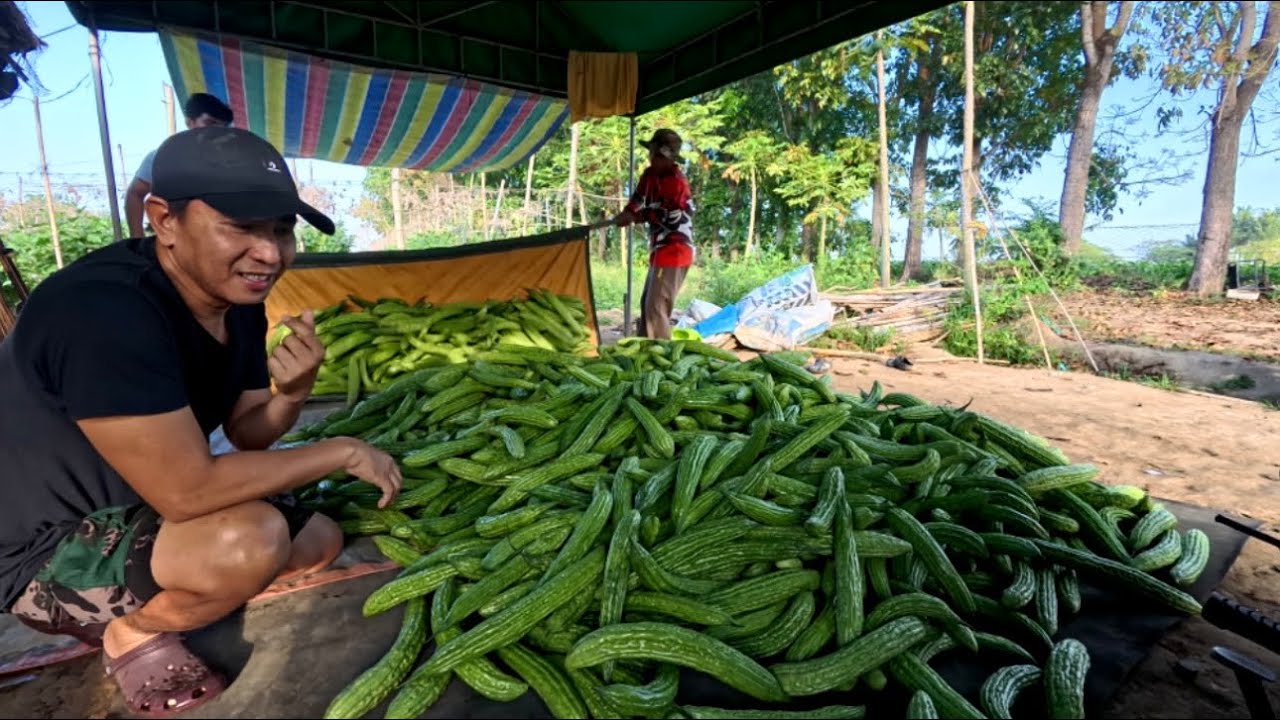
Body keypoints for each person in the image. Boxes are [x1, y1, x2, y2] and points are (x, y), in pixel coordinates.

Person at [0, 126, 402, 716]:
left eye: (281, 230)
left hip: (140, 505)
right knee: (250, 541)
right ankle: (131, 632)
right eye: (241, 227)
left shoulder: (234, 297)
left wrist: (291, 394)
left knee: (317, 540)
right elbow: (189, 493)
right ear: (164, 220)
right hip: (44, 546)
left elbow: (245, 429)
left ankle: (183, 587)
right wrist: (340, 450)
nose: (270, 253)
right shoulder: (102, 313)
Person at [612, 128, 695, 339]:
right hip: (659, 250)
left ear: (666, 157)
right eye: (651, 154)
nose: (652, 159)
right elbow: (637, 198)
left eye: (656, 155)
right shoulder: (649, 175)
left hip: (675, 251)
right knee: (647, 303)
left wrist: (637, 217)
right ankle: (644, 350)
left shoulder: (677, 182)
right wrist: (627, 213)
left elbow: (670, 216)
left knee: (656, 307)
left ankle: (662, 357)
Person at [125, 92, 234, 238]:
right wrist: (137, 238)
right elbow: (135, 194)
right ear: (190, 122)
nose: (216, 132)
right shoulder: (162, 158)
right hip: (174, 244)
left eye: (223, 127)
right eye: (210, 123)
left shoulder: (233, 162)